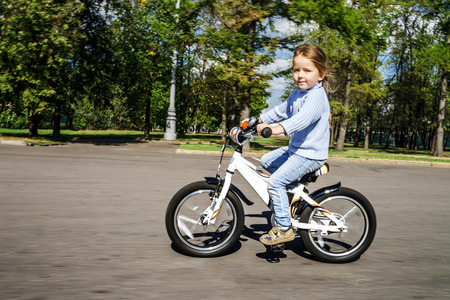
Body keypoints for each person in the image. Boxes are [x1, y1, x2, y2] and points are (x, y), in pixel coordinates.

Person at [256, 44, 331, 246]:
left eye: (307, 70)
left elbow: (301, 121)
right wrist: (256, 120)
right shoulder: (297, 95)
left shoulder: (317, 96)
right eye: (296, 70)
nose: (300, 75)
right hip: (296, 151)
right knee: (266, 161)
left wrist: (274, 130)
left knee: (275, 182)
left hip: (310, 154)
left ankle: (283, 228)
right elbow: (280, 111)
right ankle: (293, 196)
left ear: (321, 74)